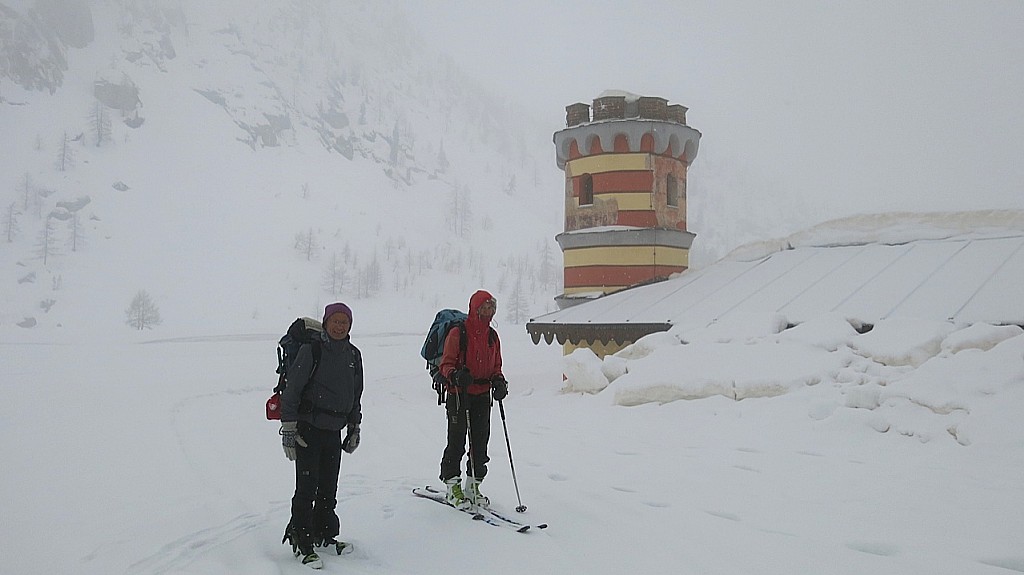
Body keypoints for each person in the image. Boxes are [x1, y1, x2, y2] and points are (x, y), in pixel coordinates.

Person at [280, 302, 363, 568]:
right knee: (307, 488)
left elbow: (355, 395)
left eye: (345, 322)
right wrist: (289, 431)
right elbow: (292, 391)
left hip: (334, 430)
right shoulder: (312, 350)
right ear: (326, 323)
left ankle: (324, 534)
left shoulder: (353, 354)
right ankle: (302, 540)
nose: (340, 327)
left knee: (328, 486)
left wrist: (354, 427)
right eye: (335, 322)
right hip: (308, 429)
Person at [437, 290, 508, 509]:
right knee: (457, 441)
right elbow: (445, 365)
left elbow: (496, 365)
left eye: (491, 308)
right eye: (483, 308)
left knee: (480, 442)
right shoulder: (459, 333)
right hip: (459, 394)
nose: (487, 312)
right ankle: (452, 484)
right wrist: (456, 376)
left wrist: (498, 381)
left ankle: (473, 486)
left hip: (482, 394)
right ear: (474, 309)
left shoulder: (492, 336)